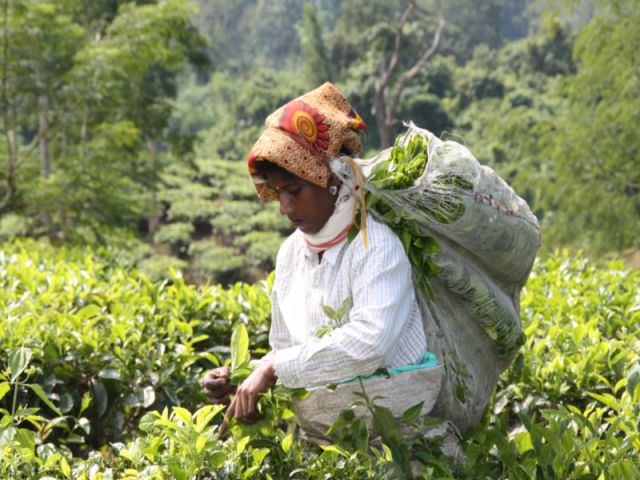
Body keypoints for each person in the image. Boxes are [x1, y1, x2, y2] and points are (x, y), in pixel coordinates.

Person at [203, 82, 429, 432]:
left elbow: (372, 344)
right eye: (278, 193)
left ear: (334, 180)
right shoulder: (291, 253)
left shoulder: (375, 244)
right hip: (321, 444)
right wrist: (245, 379)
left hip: (392, 443)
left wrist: (274, 368)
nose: (284, 207)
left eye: (294, 191)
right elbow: (286, 351)